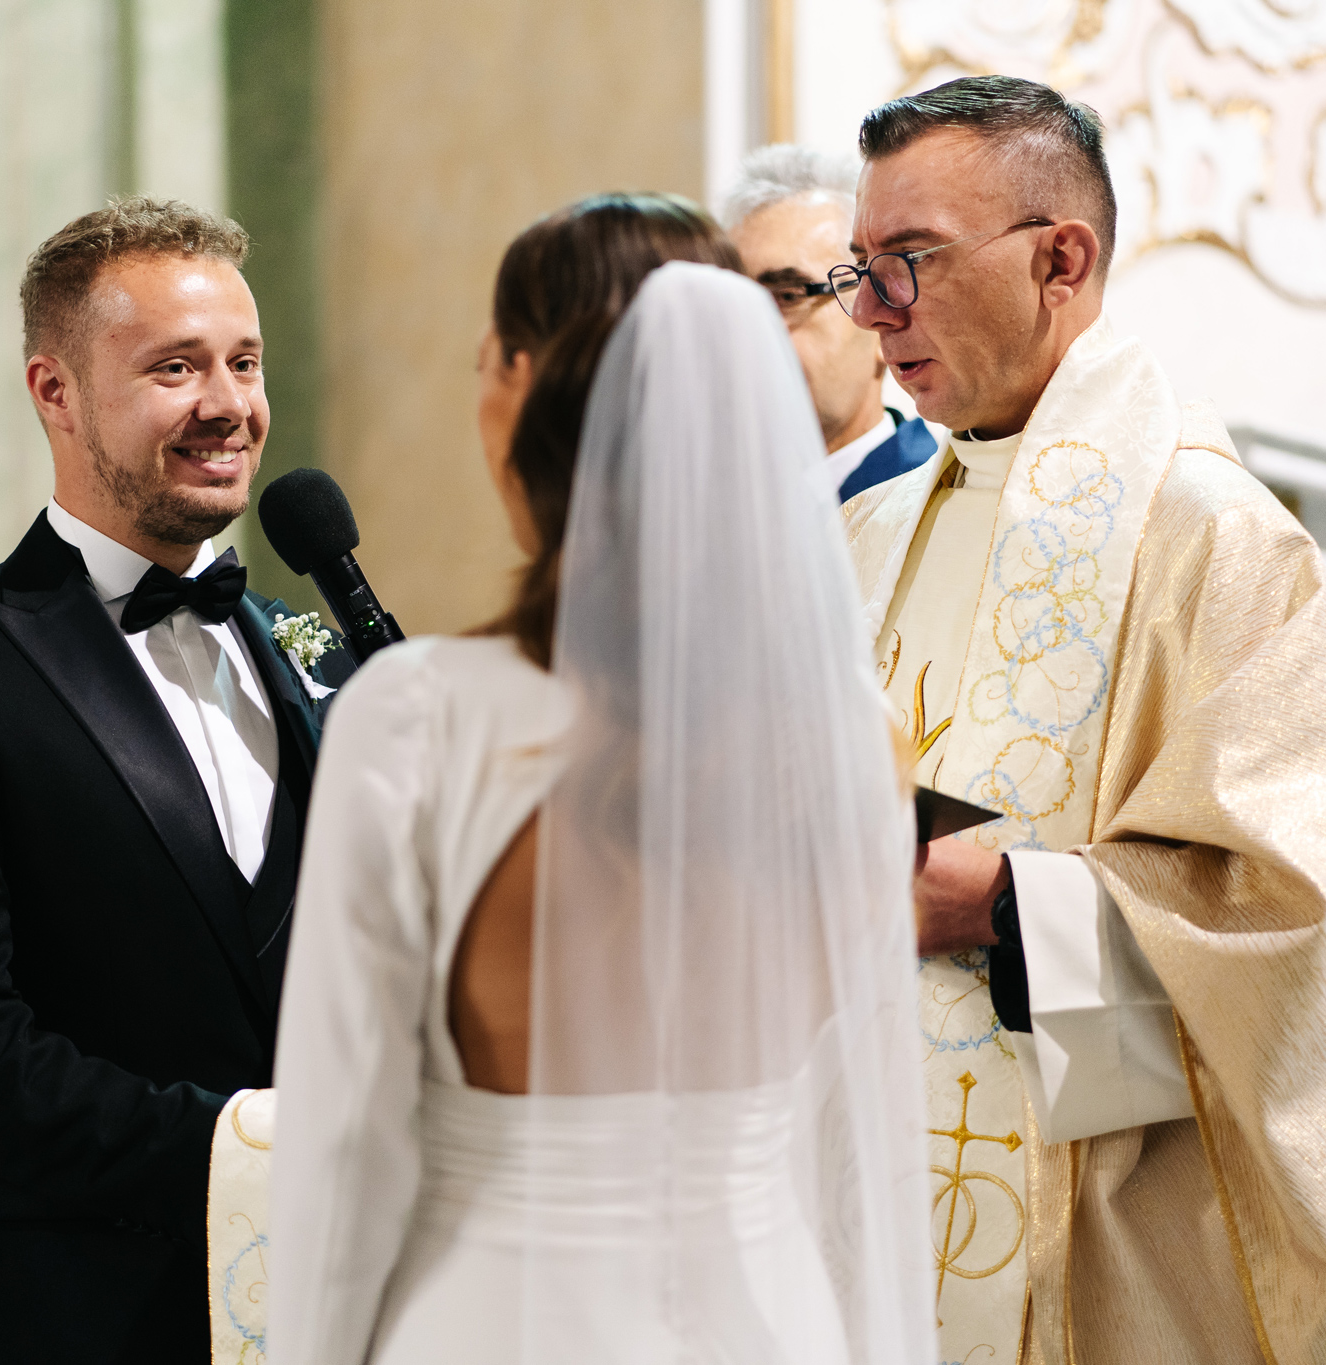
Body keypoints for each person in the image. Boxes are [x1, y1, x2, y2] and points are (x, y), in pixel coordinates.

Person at [839, 76, 1326, 1363]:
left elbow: (1305, 919)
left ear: (1059, 260)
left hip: (1108, 1239)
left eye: (909, 260)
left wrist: (1001, 906)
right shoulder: (867, 536)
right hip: (870, 1191)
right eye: (856, 269)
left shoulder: (1215, 542)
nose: (872, 310)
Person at [269, 195, 934, 1363]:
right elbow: (859, 1145)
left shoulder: (419, 718)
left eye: (485, 360)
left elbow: (341, 1152)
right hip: (775, 1318)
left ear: (528, 384)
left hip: (495, 1319)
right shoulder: (852, 734)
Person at [0, 198, 351, 1364]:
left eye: (244, 362)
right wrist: (246, 1155)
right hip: (56, 1321)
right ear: (53, 391)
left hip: (317, 1312)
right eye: (175, 367)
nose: (229, 403)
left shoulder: (309, 653)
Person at [723, 143, 938, 500]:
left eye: (788, 296)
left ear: (880, 314)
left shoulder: (933, 506)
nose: (750, 331)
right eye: (732, 302)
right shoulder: (715, 501)